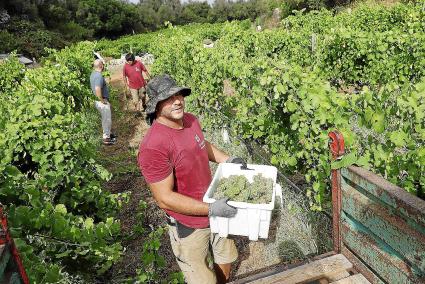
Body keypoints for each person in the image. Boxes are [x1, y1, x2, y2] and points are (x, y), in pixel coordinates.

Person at [137, 74, 245, 284]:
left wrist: (227, 159)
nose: (177, 100)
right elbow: (164, 198)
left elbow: (200, 144)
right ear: (155, 106)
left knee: (225, 258)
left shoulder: (190, 120)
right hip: (190, 224)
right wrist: (211, 209)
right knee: (202, 279)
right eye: (169, 97)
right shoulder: (154, 146)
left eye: (179, 94)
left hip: (216, 205)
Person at [90, 59, 116, 145]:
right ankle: (106, 139)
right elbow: (97, 89)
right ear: (101, 66)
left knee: (106, 119)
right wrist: (102, 100)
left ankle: (108, 134)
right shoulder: (98, 76)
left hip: (97, 100)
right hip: (101, 101)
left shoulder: (93, 74)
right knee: (106, 120)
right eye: (103, 65)